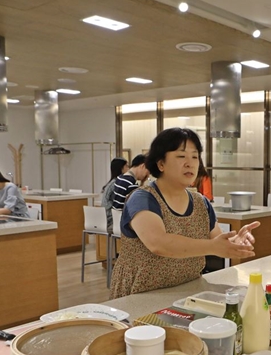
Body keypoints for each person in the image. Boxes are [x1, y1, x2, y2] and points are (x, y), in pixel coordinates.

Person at [110, 128, 260, 299]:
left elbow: (216, 239)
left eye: (195, 156)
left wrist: (234, 242)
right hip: (141, 294)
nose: (190, 163)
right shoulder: (143, 198)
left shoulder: (200, 202)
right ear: (161, 164)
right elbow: (159, 244)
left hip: (189, 290)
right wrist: (214, 247)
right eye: (181, 156)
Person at [101, 157, 128, 232]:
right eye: (126, 166)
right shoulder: (116, 184)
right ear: (121, 168)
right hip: (112, 220)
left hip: (108, 218)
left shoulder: (113, 182)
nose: (128, 169)